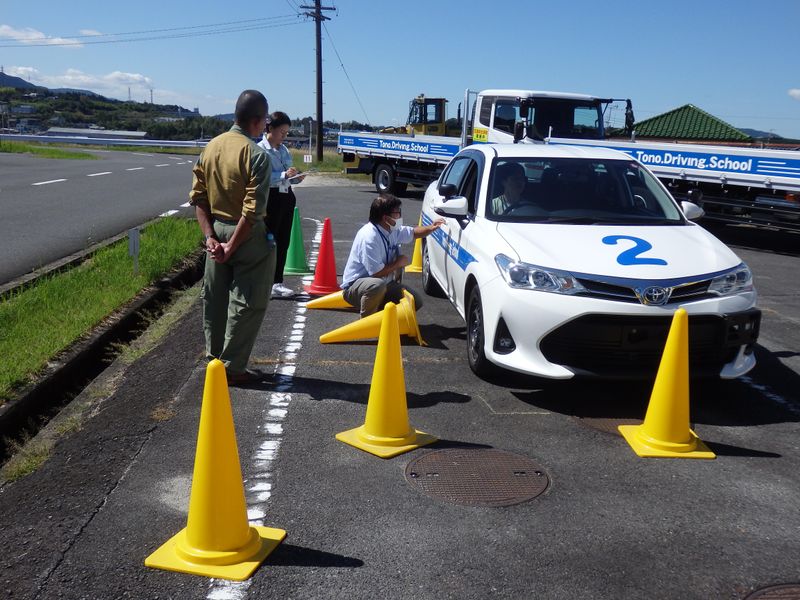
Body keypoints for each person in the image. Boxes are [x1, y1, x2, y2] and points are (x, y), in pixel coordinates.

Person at [189, 89, 276, 385]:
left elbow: (198, 197)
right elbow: (252, 213)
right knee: (248, 299)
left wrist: (210, 238)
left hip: (216, 228)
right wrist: (231, 246)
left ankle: (215, 359)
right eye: (265, 120)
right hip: (245, 235)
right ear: (257, 121)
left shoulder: (211, 147)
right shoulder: (257, 155)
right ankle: (233, 366)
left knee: (215, 297)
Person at [341, 194, 445, 318]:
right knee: (376, 286)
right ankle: (367, 320)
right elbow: (376, 273)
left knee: (415, 301)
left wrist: (432, 228)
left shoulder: (391, 229)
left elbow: (413, 233)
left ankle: (384, 317)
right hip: (356, 287)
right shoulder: (369, 237)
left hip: (384, 284)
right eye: (397, 212)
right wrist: (398, 263)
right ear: (386, 218)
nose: (400, 216)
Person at [257, 111, 305, 298]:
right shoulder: (260, 149)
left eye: (286, 133)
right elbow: (261, 178)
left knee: (283, 241)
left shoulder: (283, 149)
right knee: (269, 241)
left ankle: (277, 282)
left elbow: (288, 174)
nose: (284, 136)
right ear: (270, 128)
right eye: (282, 132)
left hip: (286, 196)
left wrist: (296, 176)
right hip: (271, 199)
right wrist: (284, 175)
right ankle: (264, 282)